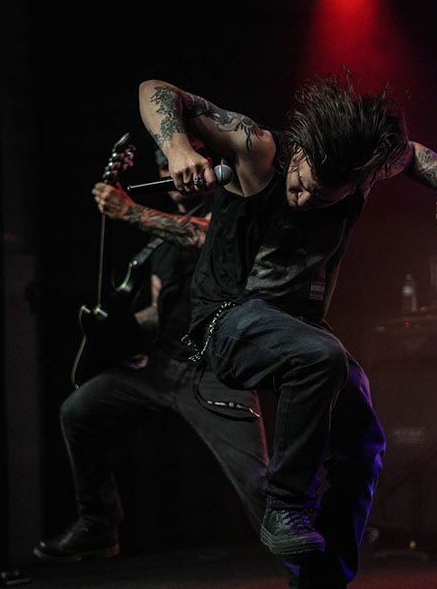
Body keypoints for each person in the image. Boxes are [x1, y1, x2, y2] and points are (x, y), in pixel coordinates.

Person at [137, 67, 437, 588]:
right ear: (300, 154)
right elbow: (156, 91)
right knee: (322, 357)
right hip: (225, 320)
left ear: (360, 183)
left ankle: (323, 582)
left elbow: (411, 154)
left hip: (296, 330)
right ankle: (285, 506)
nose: (303, 201)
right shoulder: (257, 148)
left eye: (323, 199)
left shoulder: (364, 171)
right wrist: (178, 148)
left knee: (363, 445)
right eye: (301, 185)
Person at [33, 144, 298, 587]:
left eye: (181, 162)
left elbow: (201, 236)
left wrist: (129, 211)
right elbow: (157, 313)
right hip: (161, 367)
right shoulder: (159, 245)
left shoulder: (233, 206)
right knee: (78, 410)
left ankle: (308, 575)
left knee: (257, 482)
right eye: (164, 166)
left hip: (215, 371)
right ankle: (99, 522)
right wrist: (111, 326)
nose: (173, 173)